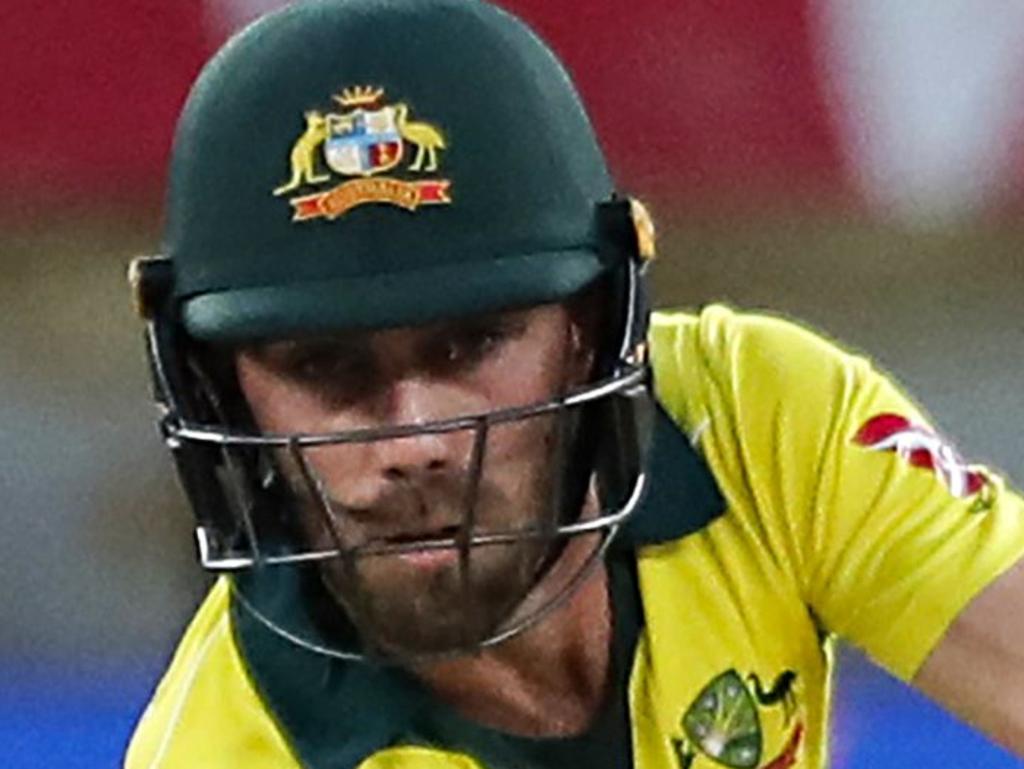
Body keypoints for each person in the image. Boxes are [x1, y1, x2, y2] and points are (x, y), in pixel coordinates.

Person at [123, 0, 1024, 767]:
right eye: (323, 367)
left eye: (471, 343)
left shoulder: (751, 421)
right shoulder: (224, 745)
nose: (414, 441)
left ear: (590, 327)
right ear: (222, 389)